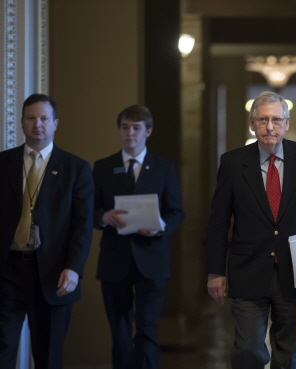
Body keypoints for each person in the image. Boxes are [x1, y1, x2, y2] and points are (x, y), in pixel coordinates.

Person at [206, 91, 296, 369]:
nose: (270, 127)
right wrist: (215, 271)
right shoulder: (232, 163)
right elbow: (218, 222)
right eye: (263, 120)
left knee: (290, 356)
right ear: (252, 124)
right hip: (247, 271)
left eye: (276, 120)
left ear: (287, 124)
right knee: (248, 350)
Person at [0, 94, 93, 369]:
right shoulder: (3, 163)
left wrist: (74, 267)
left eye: (43, 119)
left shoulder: (75, 168)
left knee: (48, 356)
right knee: (3, 349)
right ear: (21, 123)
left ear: (55, 124)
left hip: (54, 275)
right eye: (31, 118)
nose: (37, 124)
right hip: (8, 272)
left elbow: (82, 224)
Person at [93, 105, 185, 369]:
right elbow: (88, 210)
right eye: (125, 128)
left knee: (146, 331)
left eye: (136, 128)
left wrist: (160, 227)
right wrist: (103, 216)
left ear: (148, 131)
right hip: (114, 259)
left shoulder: (163, 168)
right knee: (120, 334)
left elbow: (177, 211)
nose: (130, 133)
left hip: (152, 259)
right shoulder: (103, 167)